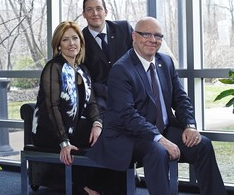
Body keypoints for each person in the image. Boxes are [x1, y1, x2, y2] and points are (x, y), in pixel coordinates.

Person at [86, 17, 227, 195]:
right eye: (146, 34)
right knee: (158, 151)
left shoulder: (165, 62)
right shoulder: (121, 69)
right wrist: (159, 138)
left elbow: (181, 98)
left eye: (158, 35)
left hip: (162, 128)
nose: (153, 40)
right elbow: (128, 116)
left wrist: (190, 126)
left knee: (203, 145)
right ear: (134, 37)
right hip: (129, 135)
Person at [32, 21, 103, 195]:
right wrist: (64, 142)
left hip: (73, 126)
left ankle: (100, 183)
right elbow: (52, 107)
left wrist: (97, 124)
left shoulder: (83, 70)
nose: (71, 43)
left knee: (106, 134)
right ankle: (82, 187)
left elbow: (92, 102)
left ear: (81, 42)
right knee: (88, 140)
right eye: (65, 40)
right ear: (58, 45)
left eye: (75, 38)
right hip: (50, 130)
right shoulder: (53, 68)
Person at [82, 0, 133, 119]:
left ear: (106, 11)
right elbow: (84, 79)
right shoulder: (79, 40)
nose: (95, 13)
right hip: (101, 97)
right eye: (89, 10)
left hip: (130, 90)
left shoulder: (124, 28)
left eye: (98, 8)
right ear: (84, 14)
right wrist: (109, 92)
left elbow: (139, 57)